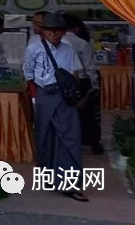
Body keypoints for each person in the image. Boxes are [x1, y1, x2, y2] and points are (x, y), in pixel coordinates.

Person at [23, 11, 88, 202]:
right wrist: (35, 99)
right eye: (50, 31)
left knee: (70, 138)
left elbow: (76, 73)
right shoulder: (33, 48)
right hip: (44, 96)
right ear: (43, 32)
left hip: (63, 97)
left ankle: (71, 184)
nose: (54, 35)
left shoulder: (68, 49)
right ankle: (50, 177)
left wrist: (74, 94)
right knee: (46, 137)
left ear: (63, 32)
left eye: (58, 31)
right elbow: (28, 74)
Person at [65, 15, 103, 154]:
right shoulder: (81, 43)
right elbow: (90, 67)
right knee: (88, 114)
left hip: (62, 82)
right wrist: (95, 86)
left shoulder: (56, 42)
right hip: (82, 81)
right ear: (77, 29)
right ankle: (93, 142)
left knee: (66, 113)